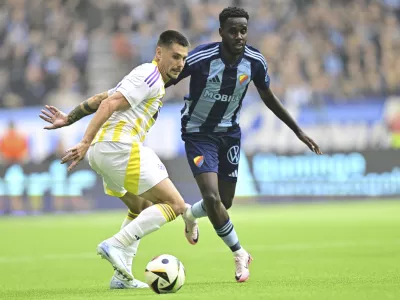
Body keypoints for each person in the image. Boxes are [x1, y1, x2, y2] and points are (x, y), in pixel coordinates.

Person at [165, 7, 322, 283]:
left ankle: (190, 214)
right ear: (221, 32)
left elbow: (268, 96)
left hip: (230, 135)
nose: (239, 36)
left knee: (224, 202)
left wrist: (297, 130)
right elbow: (166, 79)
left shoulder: (255, 62)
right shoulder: (202, 57)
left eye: (243, 31)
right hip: (198, 133)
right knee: (213, 198)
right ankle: (239, 253)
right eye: (233, 31)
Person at [40, 30, 194, 289]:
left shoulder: (143, 75)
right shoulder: (150, 76)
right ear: (159, 53)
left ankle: (121, 277)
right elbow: (108, 105)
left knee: (140, 206)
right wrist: (84, 141)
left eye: (183, 58)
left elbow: (102, 97)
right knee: (176, 205)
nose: (179, 63)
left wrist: (69, 118)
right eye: (175, 56)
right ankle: (116, 243)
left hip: (104, 151)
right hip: (117, 147)